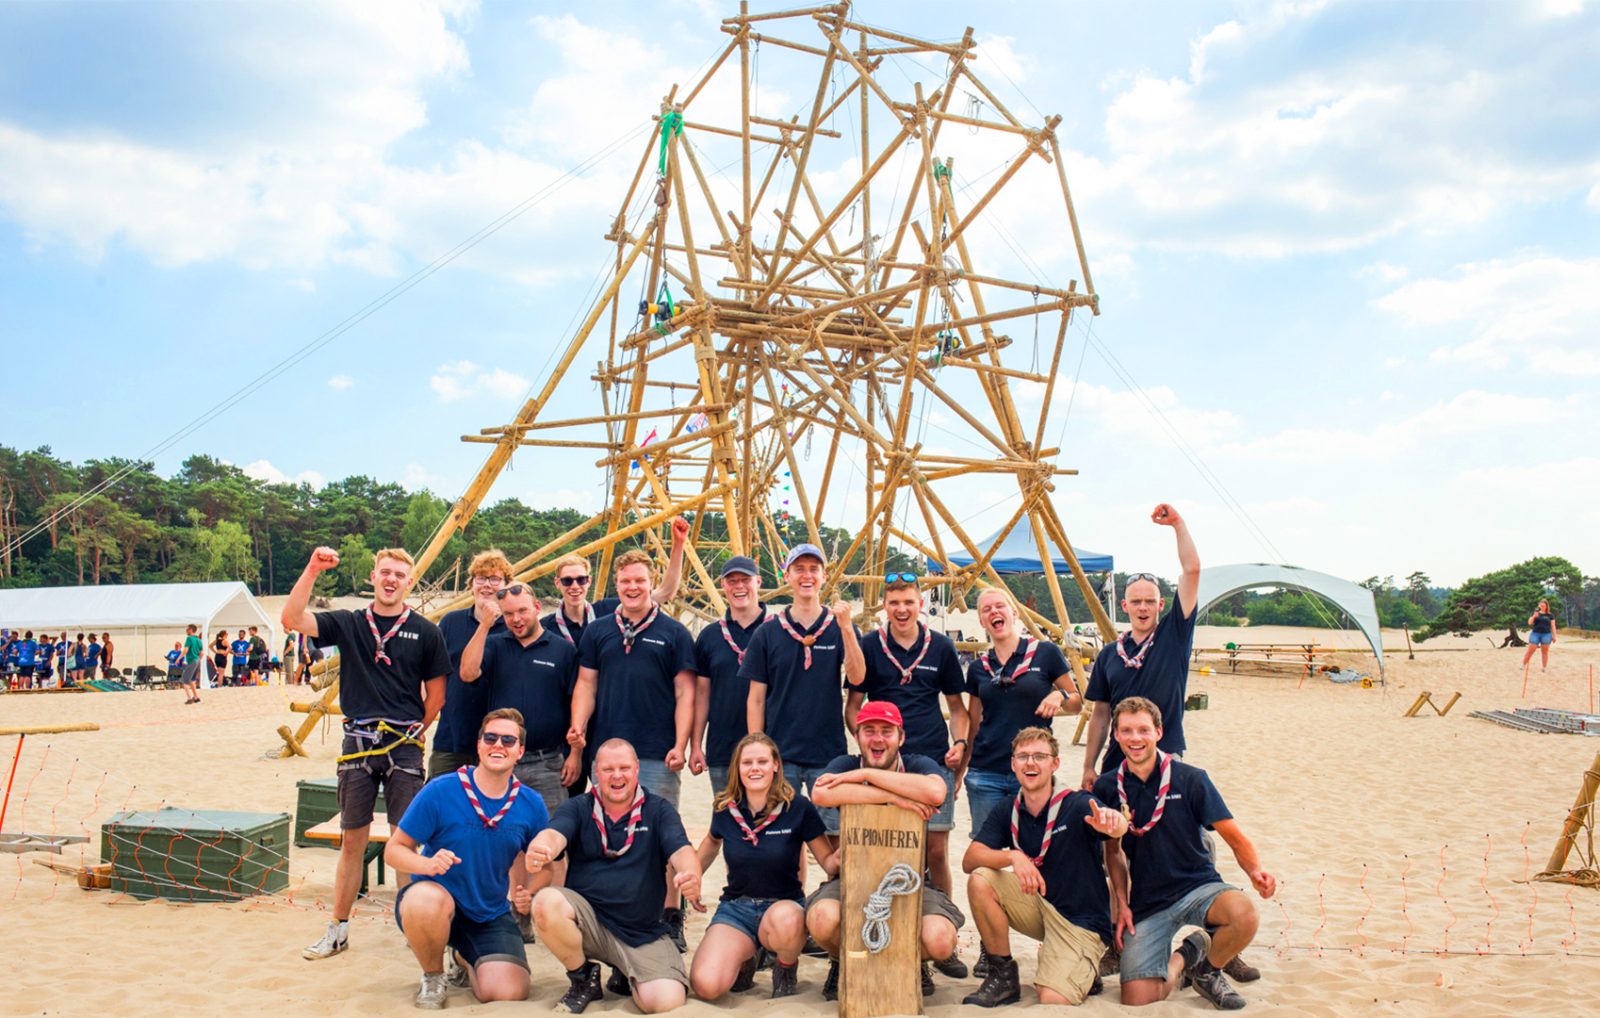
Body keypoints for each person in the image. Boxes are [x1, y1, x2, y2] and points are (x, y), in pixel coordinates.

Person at [282, 545, 451, 962]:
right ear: (372, 577)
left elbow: (437, 694)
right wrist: (312, 568)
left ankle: (414, 928)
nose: (391, 580)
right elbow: (291, 619)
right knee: (352, 840)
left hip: (404, 748)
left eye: (400, 575)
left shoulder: (426, 632)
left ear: (409, 582)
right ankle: (338, 929)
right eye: (385, 572)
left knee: (404, 841)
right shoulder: (349, 623)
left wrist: (416, 730)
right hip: (357, 744)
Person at [1094, 698, 1274, 1010]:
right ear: (1117, 735)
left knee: (1244, 914)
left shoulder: (1191, 778)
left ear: (1159, 732)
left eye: (1143, 730)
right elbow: (1114, 854)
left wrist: (1255, 872)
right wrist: (1122, 905)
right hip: (1149, 901)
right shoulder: (1108, 786)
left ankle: (1208, 971)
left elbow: (1233, 835)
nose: (1135, 738)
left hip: (1198, 887)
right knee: (1137, 998)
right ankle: (1188, 955)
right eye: (1126, 730)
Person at [568, 548, 697, 950]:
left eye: (640, 580)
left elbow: (685, 691)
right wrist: (578, 728)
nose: (632, 587)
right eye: (625, 581)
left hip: (657, 750)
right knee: (608, 832)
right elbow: (586, 684)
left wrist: (681, 743)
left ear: (651, 582)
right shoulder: (599, 630)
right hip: (607, 752)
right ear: (616, 585)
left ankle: (671, 915)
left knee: (663, 835)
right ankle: (616, 911)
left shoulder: (674, 632)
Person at [386, 708, 551, 1010]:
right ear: (478, 745)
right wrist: (427, 864)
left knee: (507, 991)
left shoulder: (531, 803)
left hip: (489, 911)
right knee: (424, 900)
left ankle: (463, 956)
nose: (498, 745)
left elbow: (547, 865)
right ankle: (433, 975)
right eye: (490, 738)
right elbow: (394, 850)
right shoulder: (441, 790)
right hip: (434, 901)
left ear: (520, 751)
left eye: (508, 740)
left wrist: (531, 890)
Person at [527, 739, 704, 1015]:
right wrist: (542, 847)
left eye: (624, 768)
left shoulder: (658, 809)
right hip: (589, 924)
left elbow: (681, 849)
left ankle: (625, 971)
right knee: (546, 902)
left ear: (636, 770)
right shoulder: (578, 807)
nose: (617, 776)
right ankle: (583, 978)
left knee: (663, 1001)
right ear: (596, 772)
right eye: (608, 769)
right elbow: (554, 834)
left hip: (641, 930)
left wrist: (690, 873)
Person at [804, 701, 966, 1001]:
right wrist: (894, 796)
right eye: (869, 731)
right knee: (821, 920)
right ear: (857, 735)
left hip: (911, 880)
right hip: (852, 877)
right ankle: (842, 961)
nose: (878, 739)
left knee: (941, 940)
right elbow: (821, 793)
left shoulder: (917, 764)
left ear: (901, 737)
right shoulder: (845, 764)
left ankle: (914, 963)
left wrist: (866, 779)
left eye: (886, 731)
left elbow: (936, 792)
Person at [962, 726, 1127, 1007]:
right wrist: (1013, 857)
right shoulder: (1009, 808)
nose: (1030, 763)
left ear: (1055, 763)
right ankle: (1003, 976)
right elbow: (970, 859)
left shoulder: (1076, 804)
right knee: (981, 879)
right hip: (1039, 907)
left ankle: (1084, 967)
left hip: (1080, 921)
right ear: (1013, 764)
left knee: (1052, 998)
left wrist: (1113, 823)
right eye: (1023, 756)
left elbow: (1116, 825)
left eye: (1040, 756)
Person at [689, 733, 836, 1001]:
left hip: (782, 906)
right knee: (706, 985)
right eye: (747, 763)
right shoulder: (725, 808)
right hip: (737, 908)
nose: (754, 768)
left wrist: (844, 855)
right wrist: (693, 877)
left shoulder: (798, 807)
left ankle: (786, 968)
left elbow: (827, 860)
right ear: (738, 768)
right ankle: (747, 958)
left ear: (775, 765)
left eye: (762, 761)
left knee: (788, 920)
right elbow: (711, 843)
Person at [848, 574, 969, 897]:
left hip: (931, 757)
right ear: (885, 606)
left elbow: (957, 707)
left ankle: (945, 919)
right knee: (884, 843)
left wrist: (960, 745)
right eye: (894, 603)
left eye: (908, 603)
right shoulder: (870, 645)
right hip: (884, 763)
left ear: (921, 605)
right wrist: (868, 745)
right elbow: (853, 706)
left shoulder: (941, 647)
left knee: (936, 849)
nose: (902, 610)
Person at [1081, 504, 1201, 789]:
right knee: (1112, 830)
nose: (1143, 608)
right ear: (1125, 607)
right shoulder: (1111, 653)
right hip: (1117, 758)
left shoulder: (1174, 636)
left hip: (1163, 754)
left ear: (1161, 605)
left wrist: (1178, 525)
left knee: (1169, 829)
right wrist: (1089, 765)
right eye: (1136, 602)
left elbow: (1192, 570)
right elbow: (1100, 714)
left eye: (1150, 602)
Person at [742, 543, 865, 807]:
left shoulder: (840, 628)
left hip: (827, 751)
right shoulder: (767, 632)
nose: (806, 576)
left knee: (832, 830)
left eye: (813, 569)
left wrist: (846, 630)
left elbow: (857, 678)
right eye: (799, 569)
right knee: (782, 835)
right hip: (781, 751)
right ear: (787, 576)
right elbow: (756, 698)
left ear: (824, 577)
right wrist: (758, 746)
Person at [965, 588, 1079, 836]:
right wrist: (960, 772)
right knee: (987, 849)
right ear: (982, 621)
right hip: (986, 772)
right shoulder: (977, 668)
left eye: (999, 606)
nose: (994, 611)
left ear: (1014, 613)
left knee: (1036, 844)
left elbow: (1077, 703)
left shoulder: (1046, 653)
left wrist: (1060, 695)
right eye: (986, 609)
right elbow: (973, 723)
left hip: (1032, 769)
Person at [460, 584, 579, 810]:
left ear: (536, 608)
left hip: (548, 763)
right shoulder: (495, 644)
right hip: (500, 760)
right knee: (495, 831)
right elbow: (467, 673)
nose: (516, 619)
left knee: (550, 836)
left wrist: (575, 754)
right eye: (508, 614)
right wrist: (485, 625)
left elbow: (576, 704)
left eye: (522, 611)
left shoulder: (563, 650)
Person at [542, 517, 690, 648]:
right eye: (567, 581)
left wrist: (678, 544)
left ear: (589, 581)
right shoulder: (545, 627)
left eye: (581, 579)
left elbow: (666, 592)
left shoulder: (608, 610)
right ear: (557, 583)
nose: (575, 586)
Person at [429, 549, 513, 781]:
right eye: (481, 579)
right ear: (471, 584)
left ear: (506, 585)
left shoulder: (514, 626)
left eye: (495, 579)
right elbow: (430, 675)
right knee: (441, 805)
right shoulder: (450, 622)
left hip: (499, 741)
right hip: (452, 735)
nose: (487, 585)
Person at [688, 556, 767, 790]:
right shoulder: (710, 636)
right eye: (732, 581)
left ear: (758, 582)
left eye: (745, 580)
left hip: (769, 747)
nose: (739, 586)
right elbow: (702, 695)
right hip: (722, 747)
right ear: (723, 585)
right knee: (726, 817)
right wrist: (695, 746)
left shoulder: (777, 630)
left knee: (768, 818)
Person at [1523, 600, 1557, 673]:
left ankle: (1544, 667)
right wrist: (1534, 616)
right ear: (1538, 606)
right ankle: (1523, 665)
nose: (1542, 607)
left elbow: (1553, 626)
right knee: (1531, 650)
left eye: (1543, 606)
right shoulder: (1536, 613)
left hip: (1546, 634)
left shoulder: (1550, 615)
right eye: (1541, 605)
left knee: (1545, 652)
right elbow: (1529, 622)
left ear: (1546, 606)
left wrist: (1554, 636)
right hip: (1535, 633)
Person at [179, 624, 205, 704]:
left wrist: (178, 658)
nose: (186, 630)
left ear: (191, 630)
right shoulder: (199, 640)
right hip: (197, 660)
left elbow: (185, 650)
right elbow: (202, 653)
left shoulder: (189, 639)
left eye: (187, 629)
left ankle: (189, 699)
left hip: (192, 661)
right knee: (192, 680)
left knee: (185, 681)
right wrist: (198, 660)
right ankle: (196, 697)